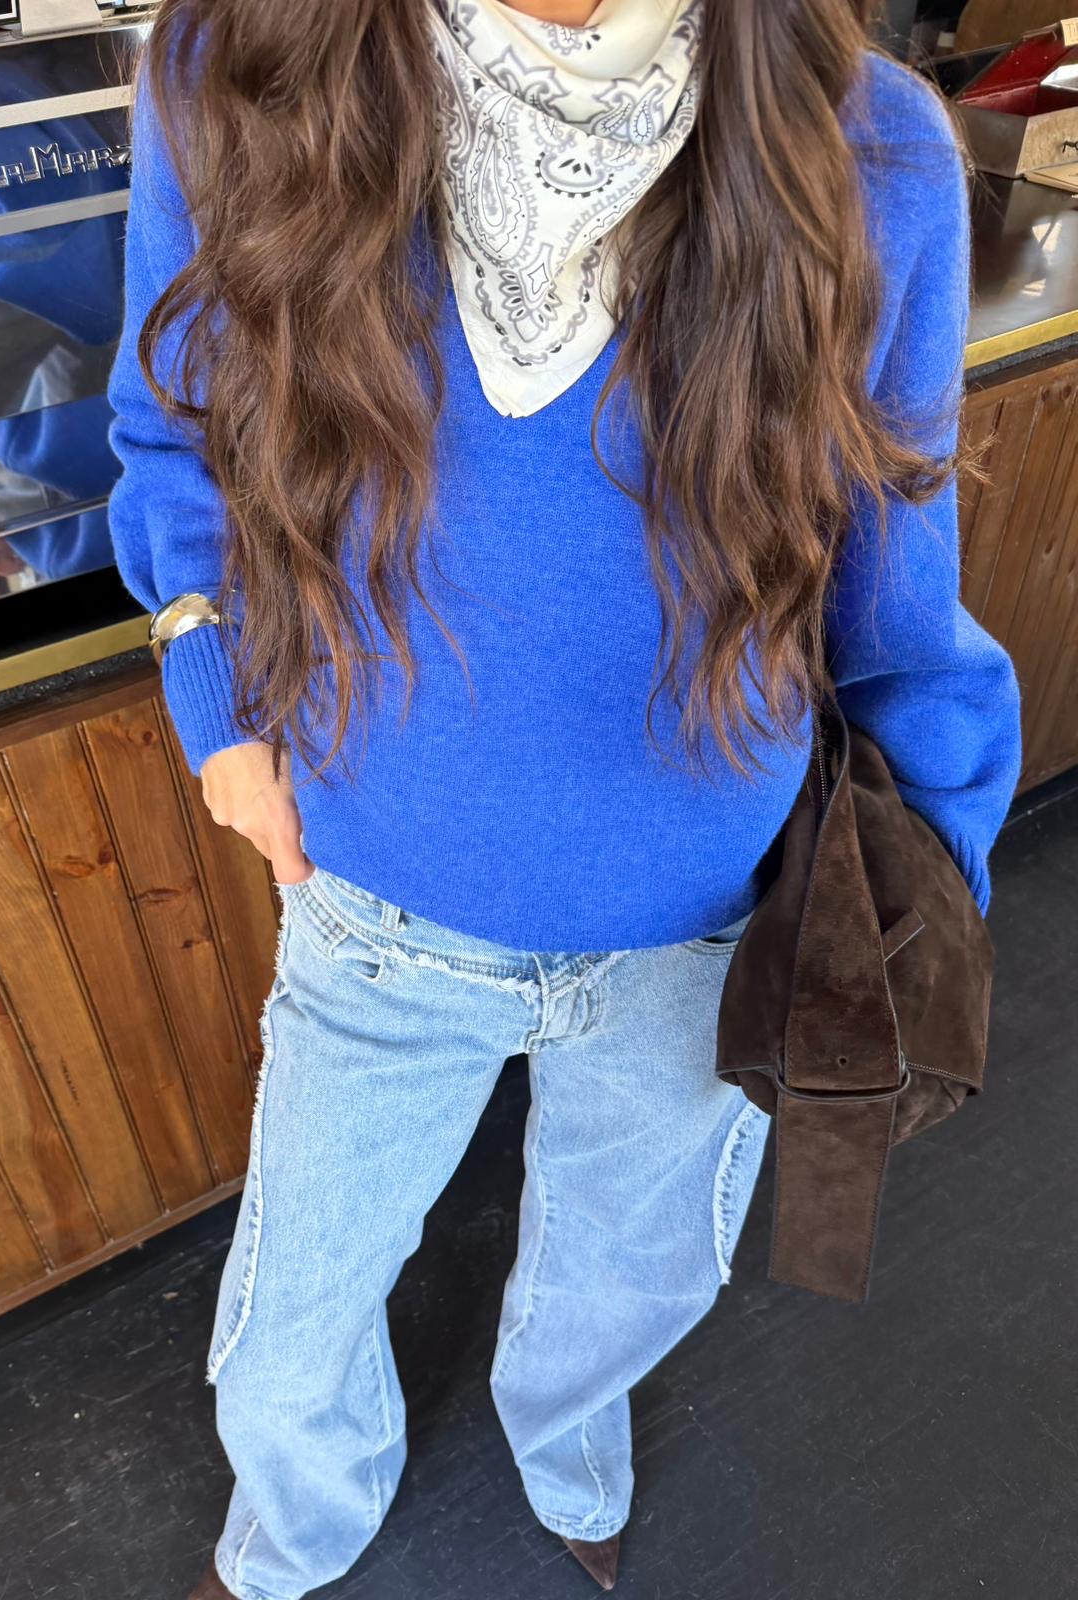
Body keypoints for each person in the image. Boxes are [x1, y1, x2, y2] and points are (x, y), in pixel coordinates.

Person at [106, 1, 1021, 1594]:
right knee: (293, 1312)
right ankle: (297, 1530)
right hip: (374, 894)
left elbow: (892, 584)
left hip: (707, 919)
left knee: (632, 1275)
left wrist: (926, 876)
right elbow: (172, 427)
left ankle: (565, 1437)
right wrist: (211, 692)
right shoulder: (235, 63)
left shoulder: (866, 144)